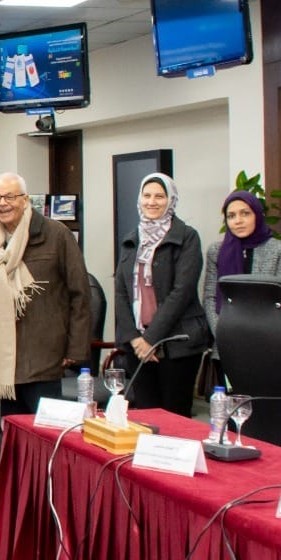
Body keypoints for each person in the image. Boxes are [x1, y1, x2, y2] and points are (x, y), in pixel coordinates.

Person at [0, 173, 90, 415]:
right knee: (12, 429)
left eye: (10, 197)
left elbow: (80, 293)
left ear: (25, 200)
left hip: (45, 353)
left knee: (44, 429)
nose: (2, 204)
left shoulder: (56, 235)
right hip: (6, 356)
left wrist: (76, 349)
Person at [113, 173, 211, 416]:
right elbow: (121, 292)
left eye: (159, 196)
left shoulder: (187, 237)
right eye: (146, 196)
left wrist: (151, 339)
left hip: (176, 344)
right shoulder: (132, 239)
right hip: (138, 346)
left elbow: (182, 292)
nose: (152, 202)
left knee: (175, 419)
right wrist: (134, 339)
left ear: (171, 200)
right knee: (146, 418)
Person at [201, 190, 281, 383]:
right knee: (229, 399)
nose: (238, 221)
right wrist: (223, 333)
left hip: (267, 345)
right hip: (227, 345)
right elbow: (210, 297)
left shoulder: (280, 249)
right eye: (231, 216)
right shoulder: (216, 251)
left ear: (257, 215)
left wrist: (256, 336)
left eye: (245, 213)